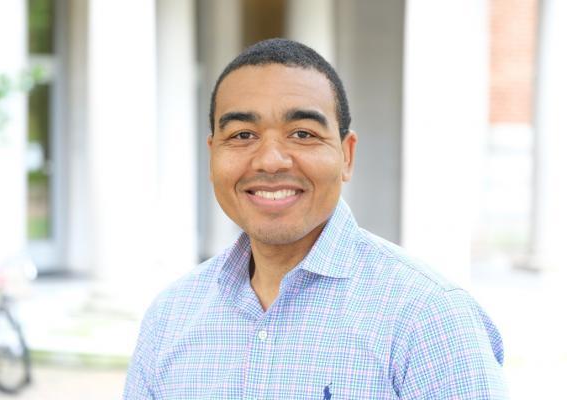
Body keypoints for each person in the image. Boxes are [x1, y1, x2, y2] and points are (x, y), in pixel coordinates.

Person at [124, 38, 507, 399]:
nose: (270, 160)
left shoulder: (429, 317)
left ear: (347, 155)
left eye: (303, 133)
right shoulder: (171, 315)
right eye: (242, 135)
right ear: (213, 155)